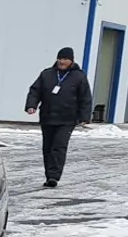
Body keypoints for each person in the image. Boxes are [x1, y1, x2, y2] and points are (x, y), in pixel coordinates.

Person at [25, 45, 94, 188]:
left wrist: (85, 116)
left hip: (67, 119)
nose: (61, 61)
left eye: (65, 59)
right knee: (48, 148)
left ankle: (54, 177)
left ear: (71, 61)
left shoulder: (79, 76)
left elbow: (85, 97)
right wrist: (31, 105)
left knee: (59, 146)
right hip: (48, 117)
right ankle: (49, 175)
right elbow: (35, 91)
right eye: (60, 58)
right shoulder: (47, 74)